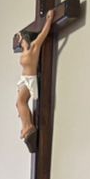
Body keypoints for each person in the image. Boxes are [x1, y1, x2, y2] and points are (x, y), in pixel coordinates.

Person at [15, 10, 54, 142]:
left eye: (21, 40)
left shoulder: (34, 47)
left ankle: (28, 126)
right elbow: (19, 37)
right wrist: (19, 35)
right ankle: (25, 125)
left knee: (21, 102)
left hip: (29, 79)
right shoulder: (25, 50)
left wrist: (49, 19)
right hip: (23, 79)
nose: (20, 42)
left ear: (26, 39)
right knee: (18, 104)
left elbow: (43, 34)